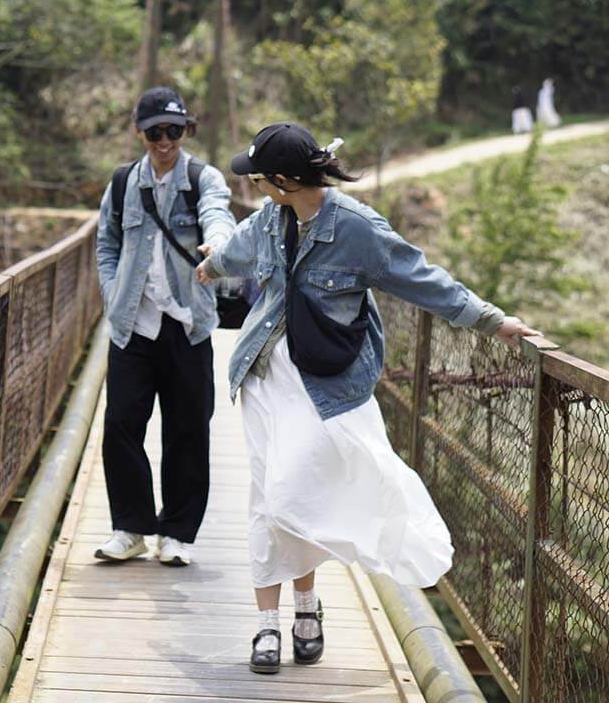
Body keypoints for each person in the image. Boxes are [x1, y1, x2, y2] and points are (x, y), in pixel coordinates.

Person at [195, 122, 539, 674]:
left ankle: (306, 603)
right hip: (261, 378)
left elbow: (423, 279)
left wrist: (493, 322)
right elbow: (234, 252)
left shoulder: (356, 228)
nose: (254, 185)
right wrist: (211, 265)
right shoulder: (269, 220)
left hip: (325, 387)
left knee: (293, 494)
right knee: (268, 495)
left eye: (259, 178)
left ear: (285, 180)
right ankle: (272, 620)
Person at [94, 86, 236, 566]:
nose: (165, 140)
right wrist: (113, 296)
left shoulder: (202, 178)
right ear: (139, 132)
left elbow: (219, 214)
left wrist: (218, 244)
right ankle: (131, 528)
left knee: (188, 428)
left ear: (185, 130)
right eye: (155, 131)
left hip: (187, 323)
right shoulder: (121, 184)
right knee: (120, 425)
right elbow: (106, 245)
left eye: (174, 130)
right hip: (132, 324)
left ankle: (177, 533)